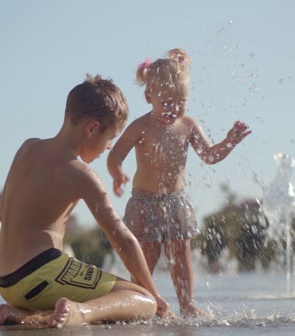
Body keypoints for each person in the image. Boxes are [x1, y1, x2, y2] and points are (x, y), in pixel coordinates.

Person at [0, 74, 171, 328]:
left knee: (59, 283)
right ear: (92, 128)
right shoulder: (80, 173)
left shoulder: (27, 147)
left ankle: (23, 313)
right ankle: (79, 313)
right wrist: (154, 295)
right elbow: (122, 238)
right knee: (142, 301)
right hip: (40, 273)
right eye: (110, 139)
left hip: (6, 281)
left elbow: (3, 214)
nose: (108, 148)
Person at [107, 48, 251, 317]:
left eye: (180, 102)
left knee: (181, 254)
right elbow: (115, 154)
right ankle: (142, 301)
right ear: (149, 96)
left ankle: (187, 303)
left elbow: (208, 156)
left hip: (176, 200)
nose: (174, 109)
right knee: (146, 255)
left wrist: (229, 142)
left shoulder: (188, 125)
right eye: (167, 102)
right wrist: (117, 173)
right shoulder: (141, 126)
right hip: (144, 201)